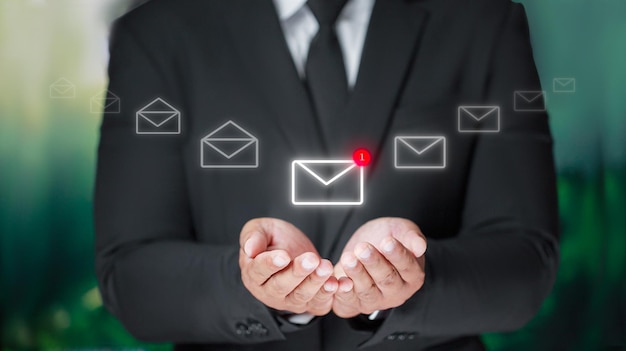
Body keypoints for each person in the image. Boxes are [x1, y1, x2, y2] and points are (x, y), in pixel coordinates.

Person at [94, 0, 559, 350]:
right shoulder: (156, 35)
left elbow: (525, 259)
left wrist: (412, 274)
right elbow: (131, 274)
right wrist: (253, 284)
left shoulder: (483, 22)